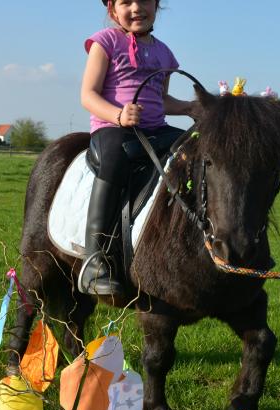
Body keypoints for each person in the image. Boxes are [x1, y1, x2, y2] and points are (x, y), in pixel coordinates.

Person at [78, 0, 197, 295]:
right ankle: (94, 259)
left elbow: (162, 100)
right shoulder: (104, 42)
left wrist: (192, 107)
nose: (136, 8)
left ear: (157, 6)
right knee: (116, 159)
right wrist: (118, 115)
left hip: (156, 130)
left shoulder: (164, 53)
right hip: (113, 130)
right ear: (112, 11)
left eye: (144, 0)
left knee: (192, 148)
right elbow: (88, 94)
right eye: (125, 2)